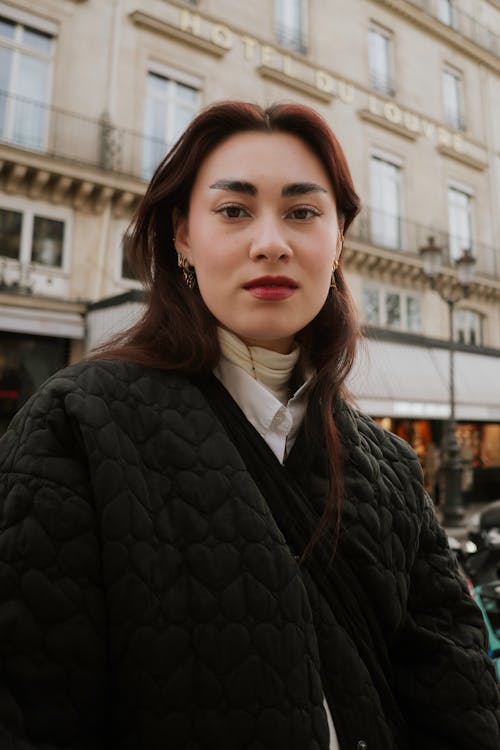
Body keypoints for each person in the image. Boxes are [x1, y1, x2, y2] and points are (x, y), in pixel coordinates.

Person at [0, 101, 498, 750]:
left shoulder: (393, 468)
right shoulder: (77, 426)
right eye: (234, 211)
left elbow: (458, 697)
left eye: (302, 211)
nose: (271, 241)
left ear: (339, 238)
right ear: (182, 235)